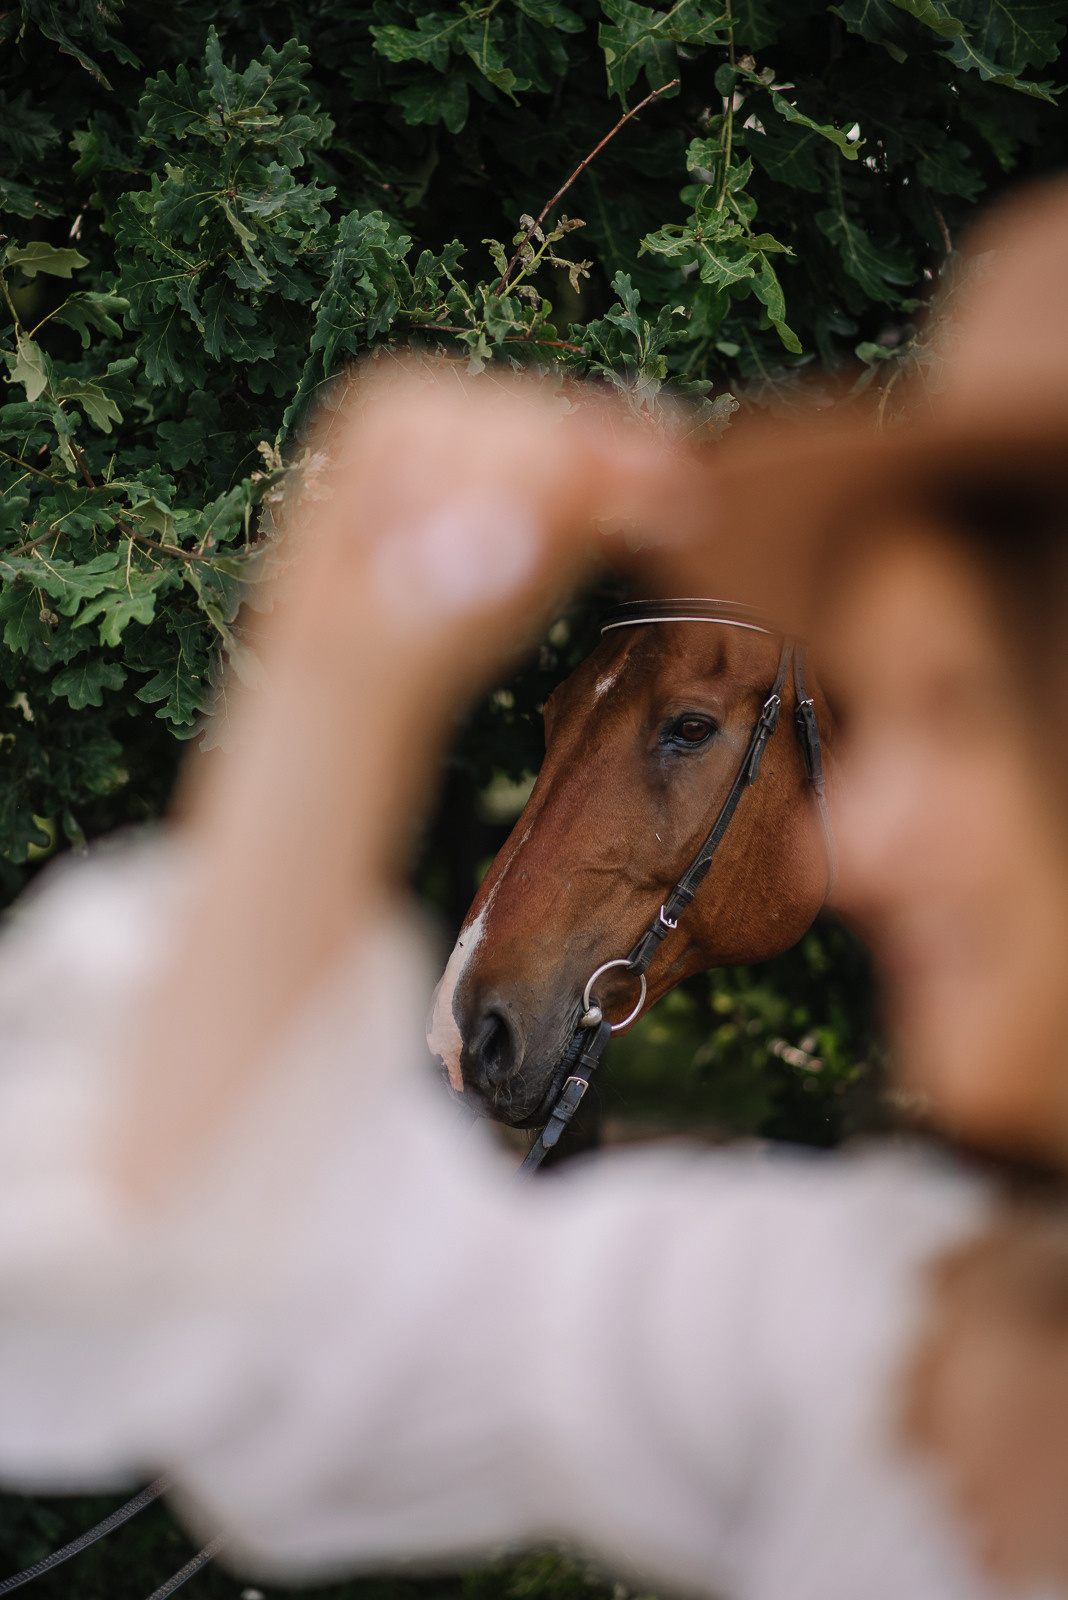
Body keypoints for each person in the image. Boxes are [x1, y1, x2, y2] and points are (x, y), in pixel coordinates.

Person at [0, 189, 1065, 1600]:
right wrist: (334, 685)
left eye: (978, 718)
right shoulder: (859, 1331)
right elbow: (288, 1350)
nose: (858, 841)